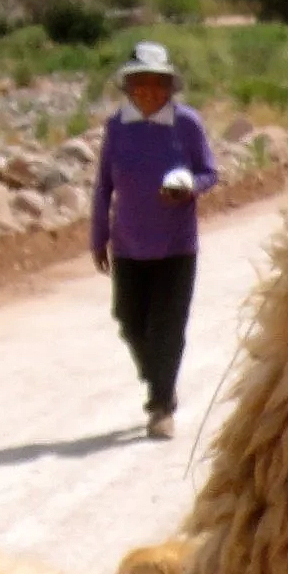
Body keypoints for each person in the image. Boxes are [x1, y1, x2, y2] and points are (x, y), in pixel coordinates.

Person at [91, 40, 217, 439]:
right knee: (129, 320)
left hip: (177, 245)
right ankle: (157, 377)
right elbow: (103, 186)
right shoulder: (117, 128)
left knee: (168, 326)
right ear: (128, 88)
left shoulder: (187, 125)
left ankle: (160, 404)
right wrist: (98, 236)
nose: (147, 91)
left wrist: (188, 188)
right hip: (128, 244)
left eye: (156, 83)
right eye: (139, 83)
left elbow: (209, 173)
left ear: (169, 86)